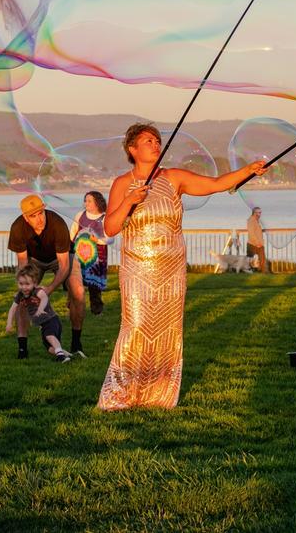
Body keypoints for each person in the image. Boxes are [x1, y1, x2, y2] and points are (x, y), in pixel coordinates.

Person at [97, 122, 266, 410]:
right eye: (147, 140)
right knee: (135, 327)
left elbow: (215, 184)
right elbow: (110, 228)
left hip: (171, 268)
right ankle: (121, 394)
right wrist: (128, 201)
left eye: (157, 140)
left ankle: (158, 395)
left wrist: (248, 170)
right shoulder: (122, 184)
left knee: (168, 330)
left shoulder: (174, 178)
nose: (154, 144)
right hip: (137, 269)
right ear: (132, 149)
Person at [7, 194, 86, 359]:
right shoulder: (18, 228)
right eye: (33, 216)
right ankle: (22, 349)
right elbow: (23, 263)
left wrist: (48, 290)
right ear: (25, 218)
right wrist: (26, 290)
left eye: (40, 213)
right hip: (35, 260)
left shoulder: (57, 223)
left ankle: (76, 343)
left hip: (61, 258)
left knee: (78, 292)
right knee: (23, 297)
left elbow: (64, 266)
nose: (39, 219)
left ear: (44, 210)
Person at [5, 265, 72, 363]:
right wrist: (9, 323)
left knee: (50, 336)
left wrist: (40, 309)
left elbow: (44, 298)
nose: (24, 287)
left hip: (51, 320)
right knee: (49, 349)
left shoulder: (38, 291)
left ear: (34, 284)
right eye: (21, 284)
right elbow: (12, 309)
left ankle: (61, 356)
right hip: (43, 325)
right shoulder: (20, 295)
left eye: (27, 284)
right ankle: (67, 355)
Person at [70, 191, 111, 315]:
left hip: (98, 256)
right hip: (80, 254)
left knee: (94, 285)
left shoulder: (105, 218)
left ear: (97, 202)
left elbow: (110, 238)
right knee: (76, 281)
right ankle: (73, 306)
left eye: (89, 201)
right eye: (85, 200)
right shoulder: (80, 215)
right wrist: (71, 247)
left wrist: (97, 240)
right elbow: (73, 232)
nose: (85, 203)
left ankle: (97, 310)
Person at [246, 206, 270, 273]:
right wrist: (257, 243)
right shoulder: (251, 220)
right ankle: (253, 273)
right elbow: (251, 233)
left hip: (258, 243)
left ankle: (263, 273)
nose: (260, 214)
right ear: (254, 213)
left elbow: (255, 231)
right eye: (259, 212)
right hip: (253, 244)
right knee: (250, 260)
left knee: (262, 260)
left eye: (260, 212)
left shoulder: (255, 220)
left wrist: (261, 230)